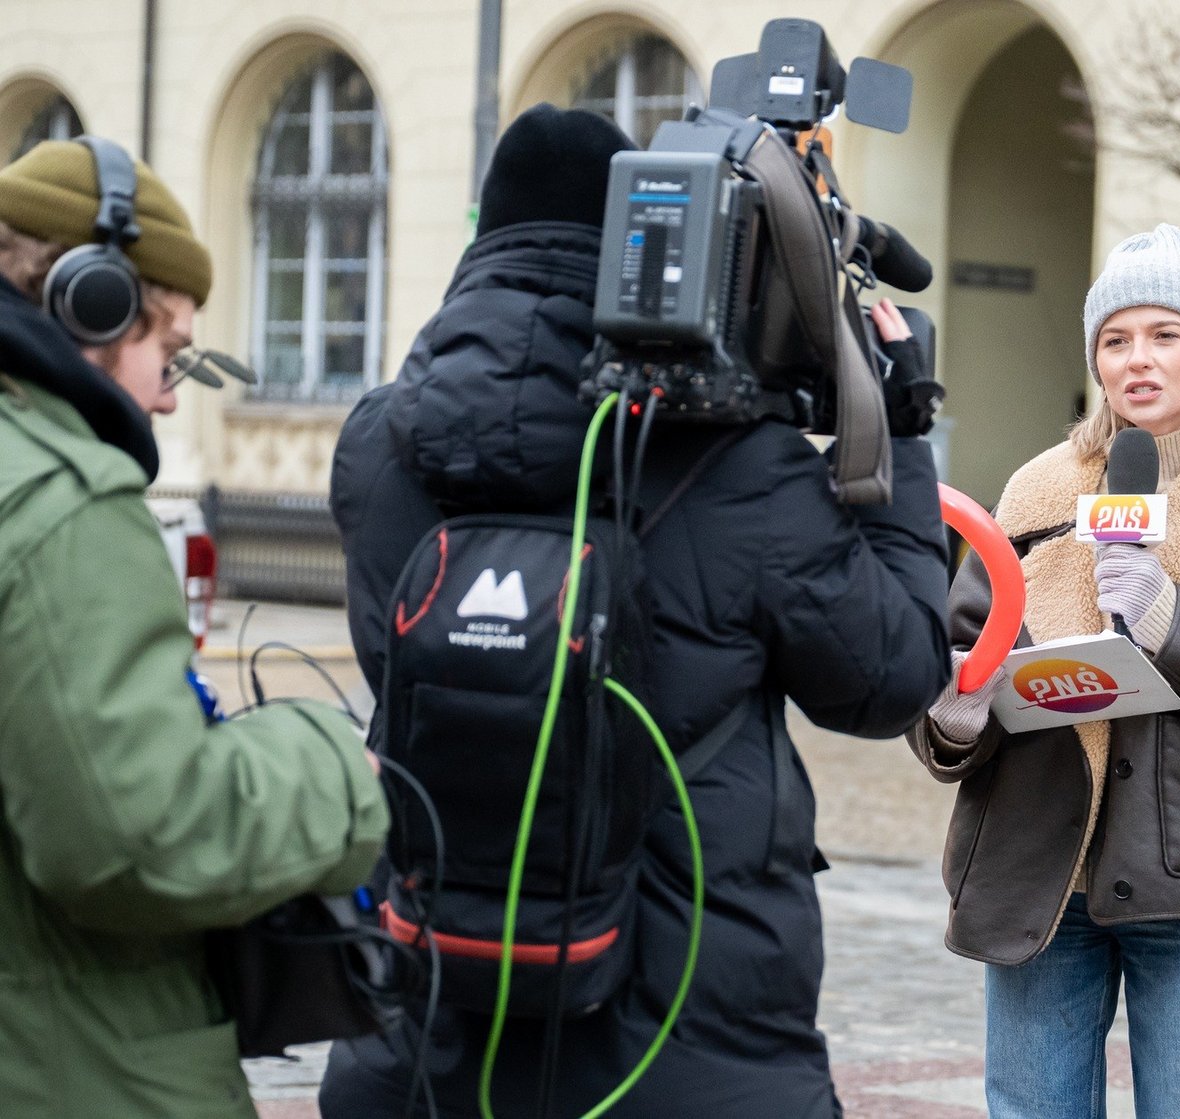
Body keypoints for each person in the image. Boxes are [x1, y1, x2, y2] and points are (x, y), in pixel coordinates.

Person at [318, 105, 951, 1118]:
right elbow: (893, 676)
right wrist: (899, 433)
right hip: (697, 1052)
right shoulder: (741, 462)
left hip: (425, 1039)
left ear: (483, 242)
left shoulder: (378, 447)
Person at [909, 223, 1180, 1119]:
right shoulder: (1033, 498)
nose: (1137, 358)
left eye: (1163, 334)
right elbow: (957, 666)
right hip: (1039, 880)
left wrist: (1168, 616)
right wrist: (952, 715)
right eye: (1116, 339)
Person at [0, 138, 389, 1117]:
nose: (171, 396)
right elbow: (137, 836)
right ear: (89, 306)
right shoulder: (63, 504)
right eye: (168, 352)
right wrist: (334, 769)